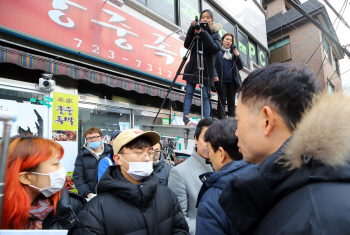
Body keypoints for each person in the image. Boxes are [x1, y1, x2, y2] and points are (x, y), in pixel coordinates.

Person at [218, 63, 324, 235]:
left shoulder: (315, 221)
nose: (236, 132)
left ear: (266, 121)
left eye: (238, 120)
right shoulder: (301, 188)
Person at [71, 129, 189, 235]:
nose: (147, 158)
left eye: (150, 152)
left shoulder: (167, 195)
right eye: (139, 152)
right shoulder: (95, 210)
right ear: (117, 159)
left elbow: (180, 229)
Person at [1, 136, 85, 231]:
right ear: (26, 177)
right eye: (56, 164)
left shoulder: (71, 206)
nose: (62, 169)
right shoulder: (3, 211)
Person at [195, 118, 257, 235]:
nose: (209, 156)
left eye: (210, 151)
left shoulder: (212, 200)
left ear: (221, 153)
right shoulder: (263, 176)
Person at [168, 118, 217, 235]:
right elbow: (179, 218)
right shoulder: (179, 172)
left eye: (215, 140)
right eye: (205, 140)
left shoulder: (224, 167)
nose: (209, 145)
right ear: (196, 139)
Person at [182, 9, 222, 126]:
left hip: (206, 69)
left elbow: (215, 48)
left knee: (205, 96)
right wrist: (191, 28)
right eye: (203, 17)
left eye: (208, 17)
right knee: (189, 92)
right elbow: (186, 45)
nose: (205, 19)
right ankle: (185, 117)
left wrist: (203, 33)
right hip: (193, 66)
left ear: (212, 20)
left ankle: (206, 121)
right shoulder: (195, 31)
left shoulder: (215, 34)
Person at [73, 127, 112, 199]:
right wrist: (88, 194)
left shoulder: (111, 153)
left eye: (96, 137)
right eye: (89, 138)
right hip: (89, 197)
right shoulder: (82, 155)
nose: (93, 140)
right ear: (86, 140)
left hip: (110, 195)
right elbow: (78, 177)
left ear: (102, 138)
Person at [214, 33, 243, 119]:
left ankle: (231, 122)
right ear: (222, 40)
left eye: (230, 40)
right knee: (221, 101)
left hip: (232, 82)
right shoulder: (218, 52)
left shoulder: (234, 53)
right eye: (227, 39)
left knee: (231, 102)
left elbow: (240, 66)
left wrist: (237, 56)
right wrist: (215, 75)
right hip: (222, 81)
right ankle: (221, 121)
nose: (229, 41)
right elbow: (214, 65)